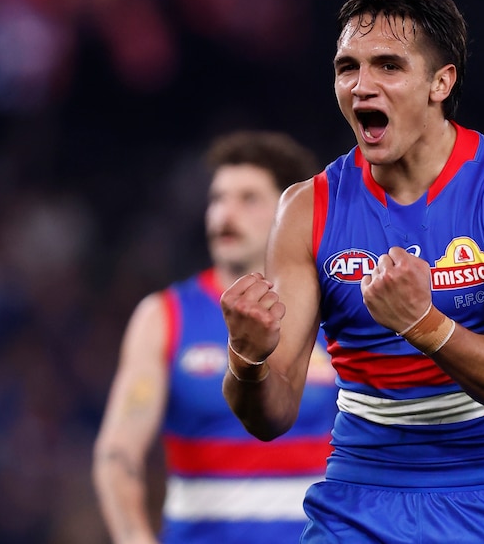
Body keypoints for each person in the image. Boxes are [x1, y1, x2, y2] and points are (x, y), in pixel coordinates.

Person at [220, 0, 484, 544]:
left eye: (389, 66)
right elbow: (273, 415)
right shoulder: (306, 208)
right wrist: (246, 357)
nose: (363, 86)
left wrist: (421, 322)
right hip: (361, 502)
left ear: (442, 82)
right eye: (347, 68)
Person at [92, 131, 338, 544]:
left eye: (248, 199)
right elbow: (118, 455)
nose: (225, 214)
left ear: (290, 211)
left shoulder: (337, 314)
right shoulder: (163, 317)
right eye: (217, 198)